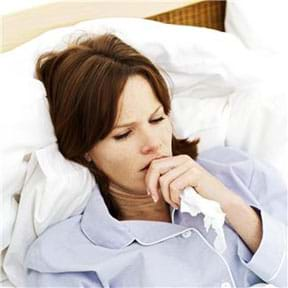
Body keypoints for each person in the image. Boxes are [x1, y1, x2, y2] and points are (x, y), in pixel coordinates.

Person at [24, 33, 287, 287]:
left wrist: (230, 205)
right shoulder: (64, 259)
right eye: (124, 134)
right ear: (85, 149)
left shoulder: (237, 171)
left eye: (157, 119)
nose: (153, 144)